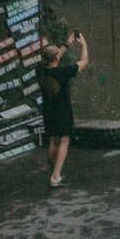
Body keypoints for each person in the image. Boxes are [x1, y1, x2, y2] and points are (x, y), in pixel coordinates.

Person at [38, 30, 87, 190]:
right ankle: (55, 176)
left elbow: (53, 56)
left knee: (52, 139)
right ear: (57, 57)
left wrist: (67, 44)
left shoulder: (40, 70)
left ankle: (55, 169)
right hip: (63, 111)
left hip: (48, 111)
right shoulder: (63, 72)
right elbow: (84, 61)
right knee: (64, 140)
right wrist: (84, 45)